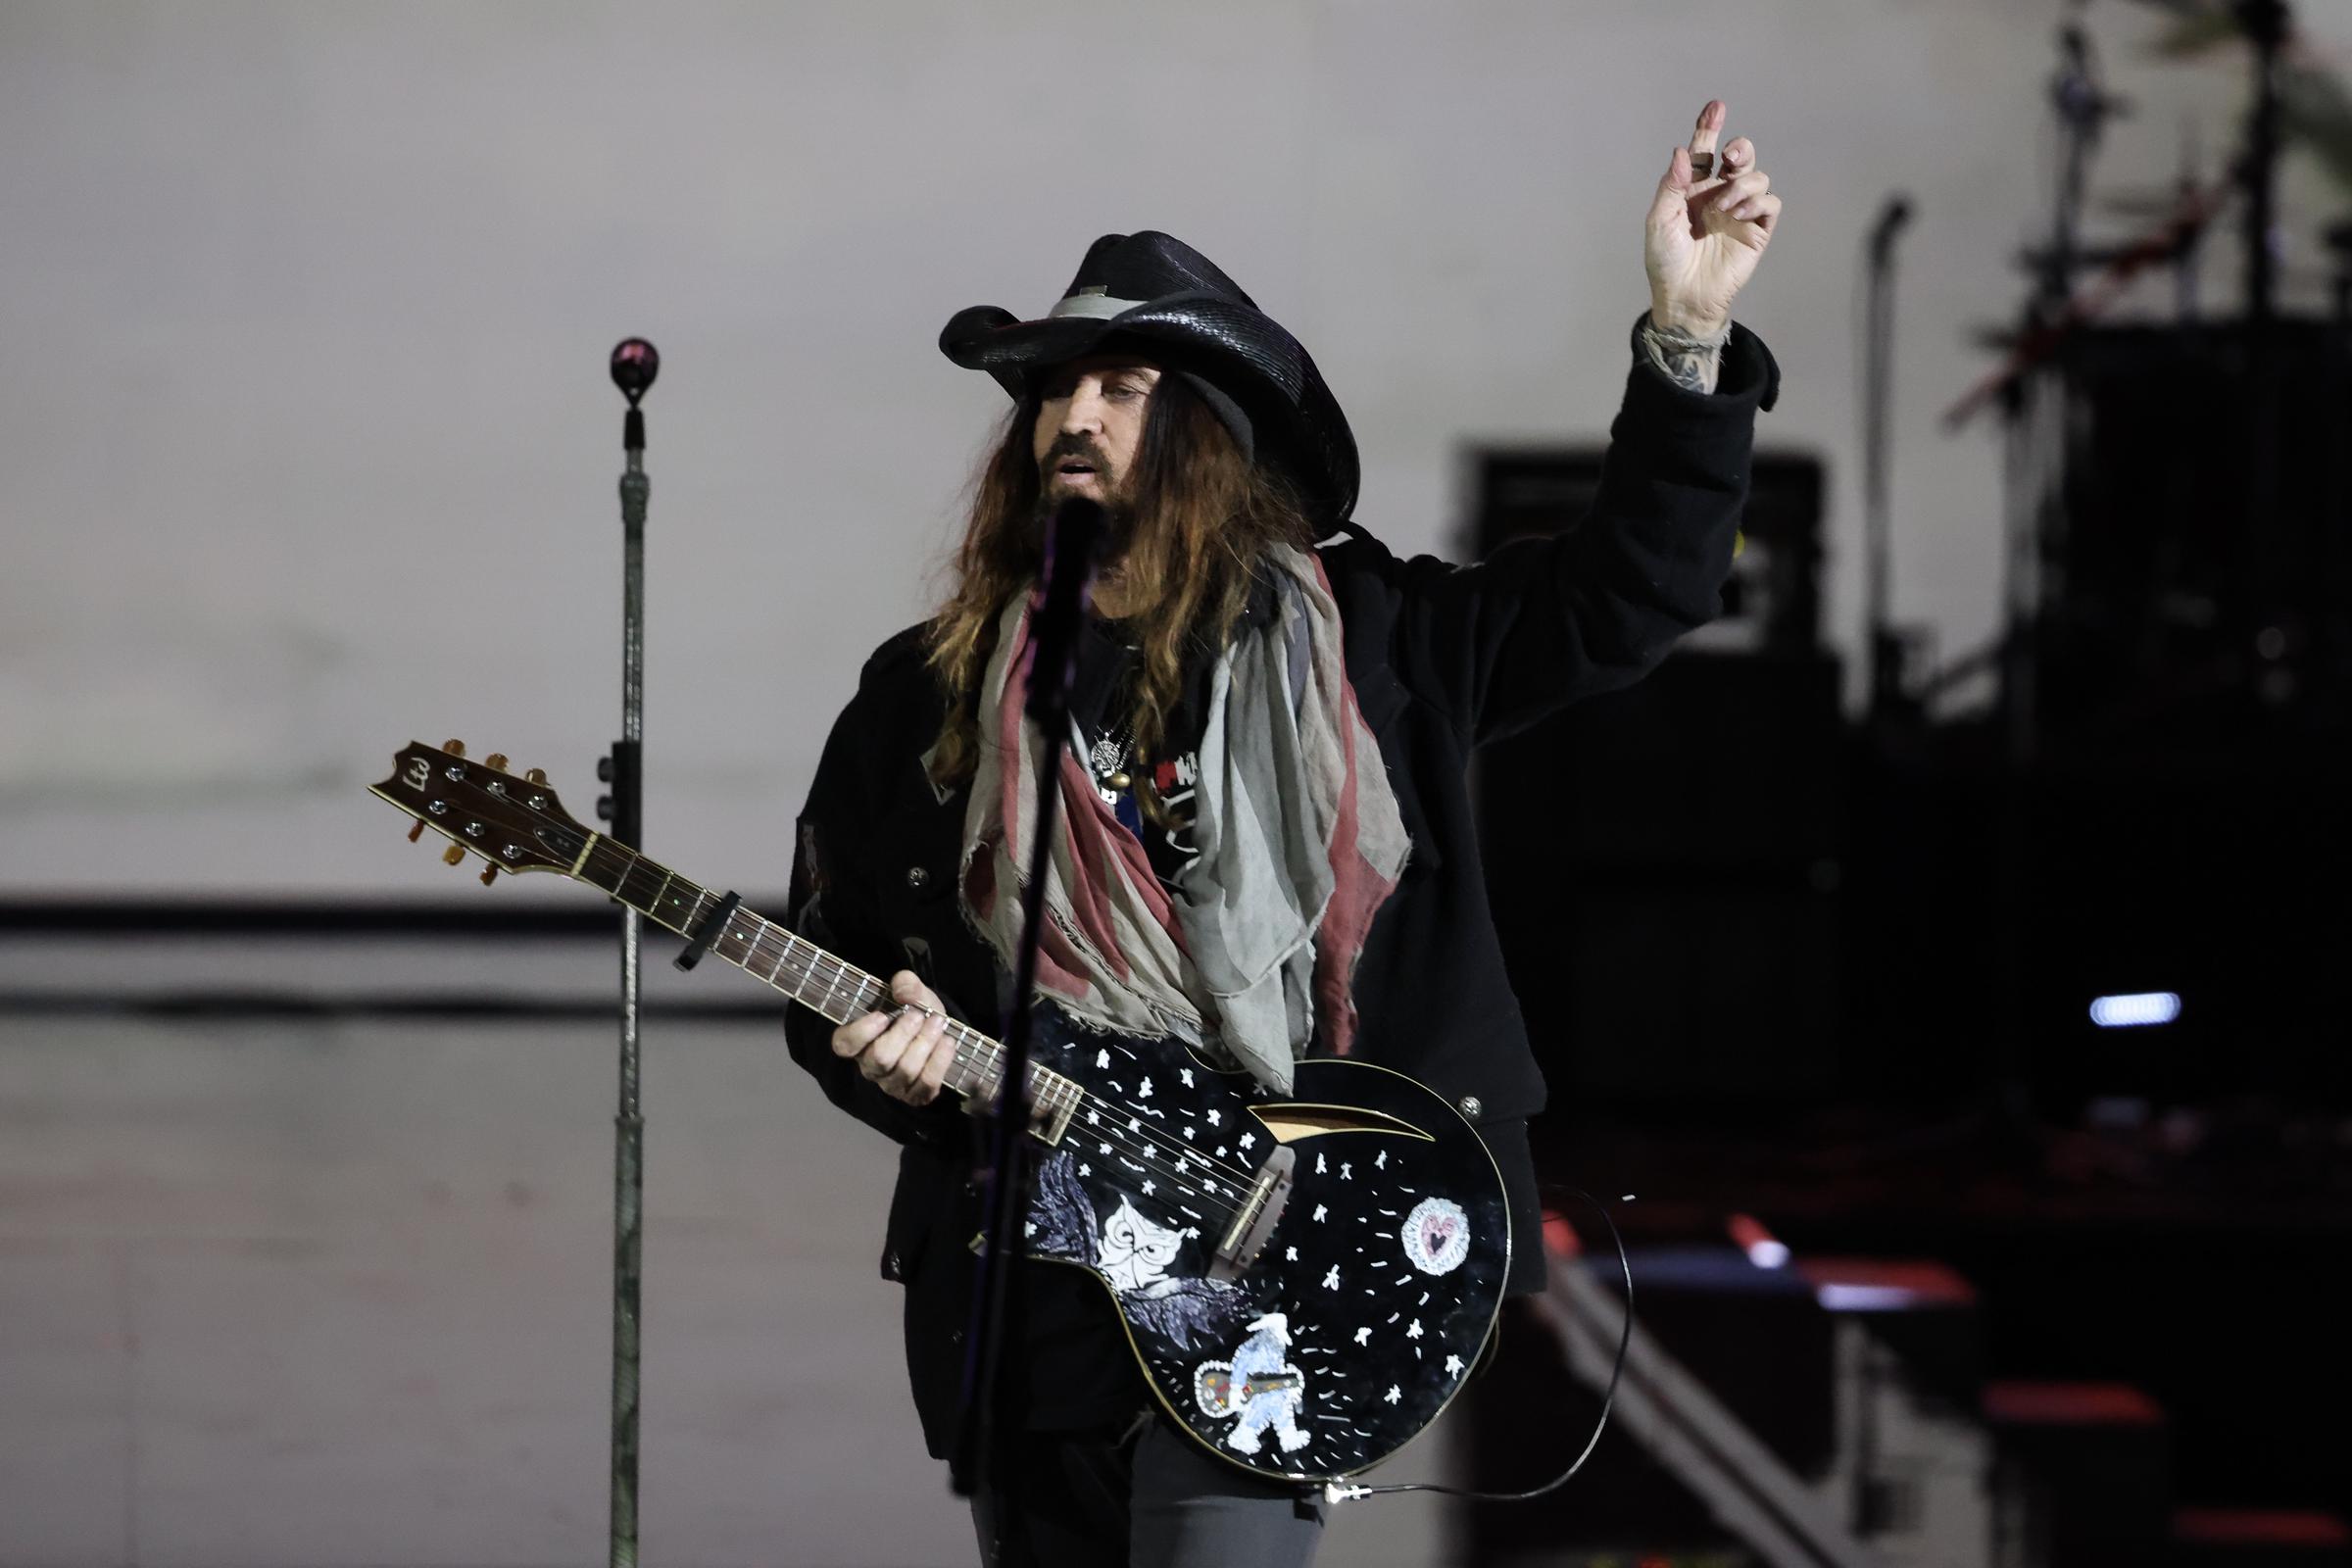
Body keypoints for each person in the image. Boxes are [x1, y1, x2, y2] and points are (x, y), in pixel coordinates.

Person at [783, 99, 1783, 1568]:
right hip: (1043, 1281)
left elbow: (1628, 596)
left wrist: (1686, 346)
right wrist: (894, 1056)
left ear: (1208, 440)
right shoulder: (927, 692)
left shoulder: (1377, 641)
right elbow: (845, 968)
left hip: (1288, 1244)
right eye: (1055, 390)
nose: (1075, 416)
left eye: (1124, 388)